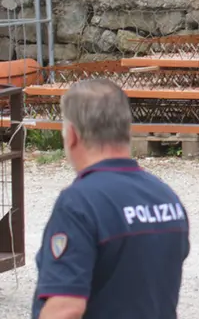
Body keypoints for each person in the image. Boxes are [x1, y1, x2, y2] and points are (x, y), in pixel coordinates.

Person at [31, 79, 190, 319]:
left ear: (72, 135)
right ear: (126, 130)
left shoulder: (79, 203)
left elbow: (65, 308)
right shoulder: (166, 199)